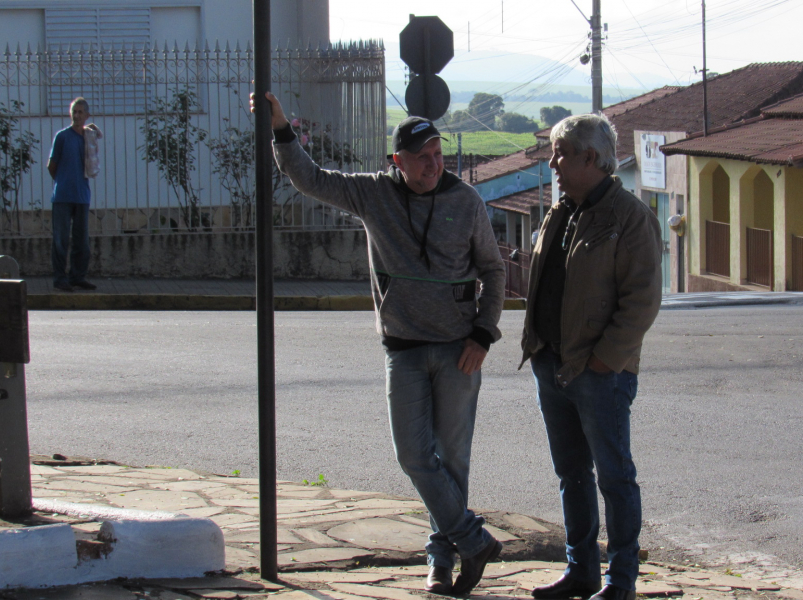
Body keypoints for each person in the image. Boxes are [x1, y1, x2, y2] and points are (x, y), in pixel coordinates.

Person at [256, 92, 506, 597]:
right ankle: (473, 541)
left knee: (451, 459)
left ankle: (441, 561)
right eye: (421, 158)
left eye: (438, 155)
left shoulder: (466, 201)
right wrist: (282, 130)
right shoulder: (374, 194)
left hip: (460, 347)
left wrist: (483, 333)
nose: (433, 165)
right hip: (404, 349)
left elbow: (494, 270)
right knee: (414, 456)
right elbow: (310, 179)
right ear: (398, 162)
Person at [520, 113, 662, 600]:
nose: (553, 164)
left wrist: (605, 360)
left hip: (599, 372)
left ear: (590, 158)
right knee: (571, 474)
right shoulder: (562, 212)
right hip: (552, 364)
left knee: (615, 476)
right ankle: (580, 569)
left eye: (560, 154)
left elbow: (641, 301)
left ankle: (620, 579)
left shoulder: (629, 216)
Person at [48, 97, 101, 291]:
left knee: (81, 241)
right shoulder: (62, 137)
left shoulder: (89, 138)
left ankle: (77, 276)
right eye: (74, 112)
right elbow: (51, 165)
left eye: (80, 112)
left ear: (87, 115)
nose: (77, 115)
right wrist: (63, 181)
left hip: (81, 196)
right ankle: (60, 279)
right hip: (62, 196)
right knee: (60, 241)